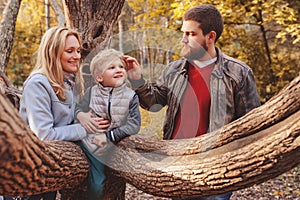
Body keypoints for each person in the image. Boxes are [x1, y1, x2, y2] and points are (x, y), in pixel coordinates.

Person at [124, 4, 261, 200]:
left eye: (191, 34)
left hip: (215, 168)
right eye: (183, 33)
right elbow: (154, 103)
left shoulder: (238, 73)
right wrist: (137, 79)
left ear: (210, 37)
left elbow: (251, 123)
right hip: (179, 163)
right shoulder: (174, 69)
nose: (183, 39)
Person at [15, 26, 109, 200]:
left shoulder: (66, 82)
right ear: (53, 52)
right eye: (70, 51)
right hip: (28, 171)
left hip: (49, 169)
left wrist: (82, 116)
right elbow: (43, 134)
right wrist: (84, 129)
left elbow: (66, 117)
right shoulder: (38, 84)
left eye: (78, 51)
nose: (77, 56)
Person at [75, 48, 141, 200]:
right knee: (92, 182)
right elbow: (77, 110)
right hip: (87, 143)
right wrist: (81, 115)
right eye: (111, 67)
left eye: (121, 67)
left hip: (107, 147)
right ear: (99, 77)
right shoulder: (92, 92)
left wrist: (109, 136)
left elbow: (134, 124)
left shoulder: (130, 96)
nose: (118, 70)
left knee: (105, 183)